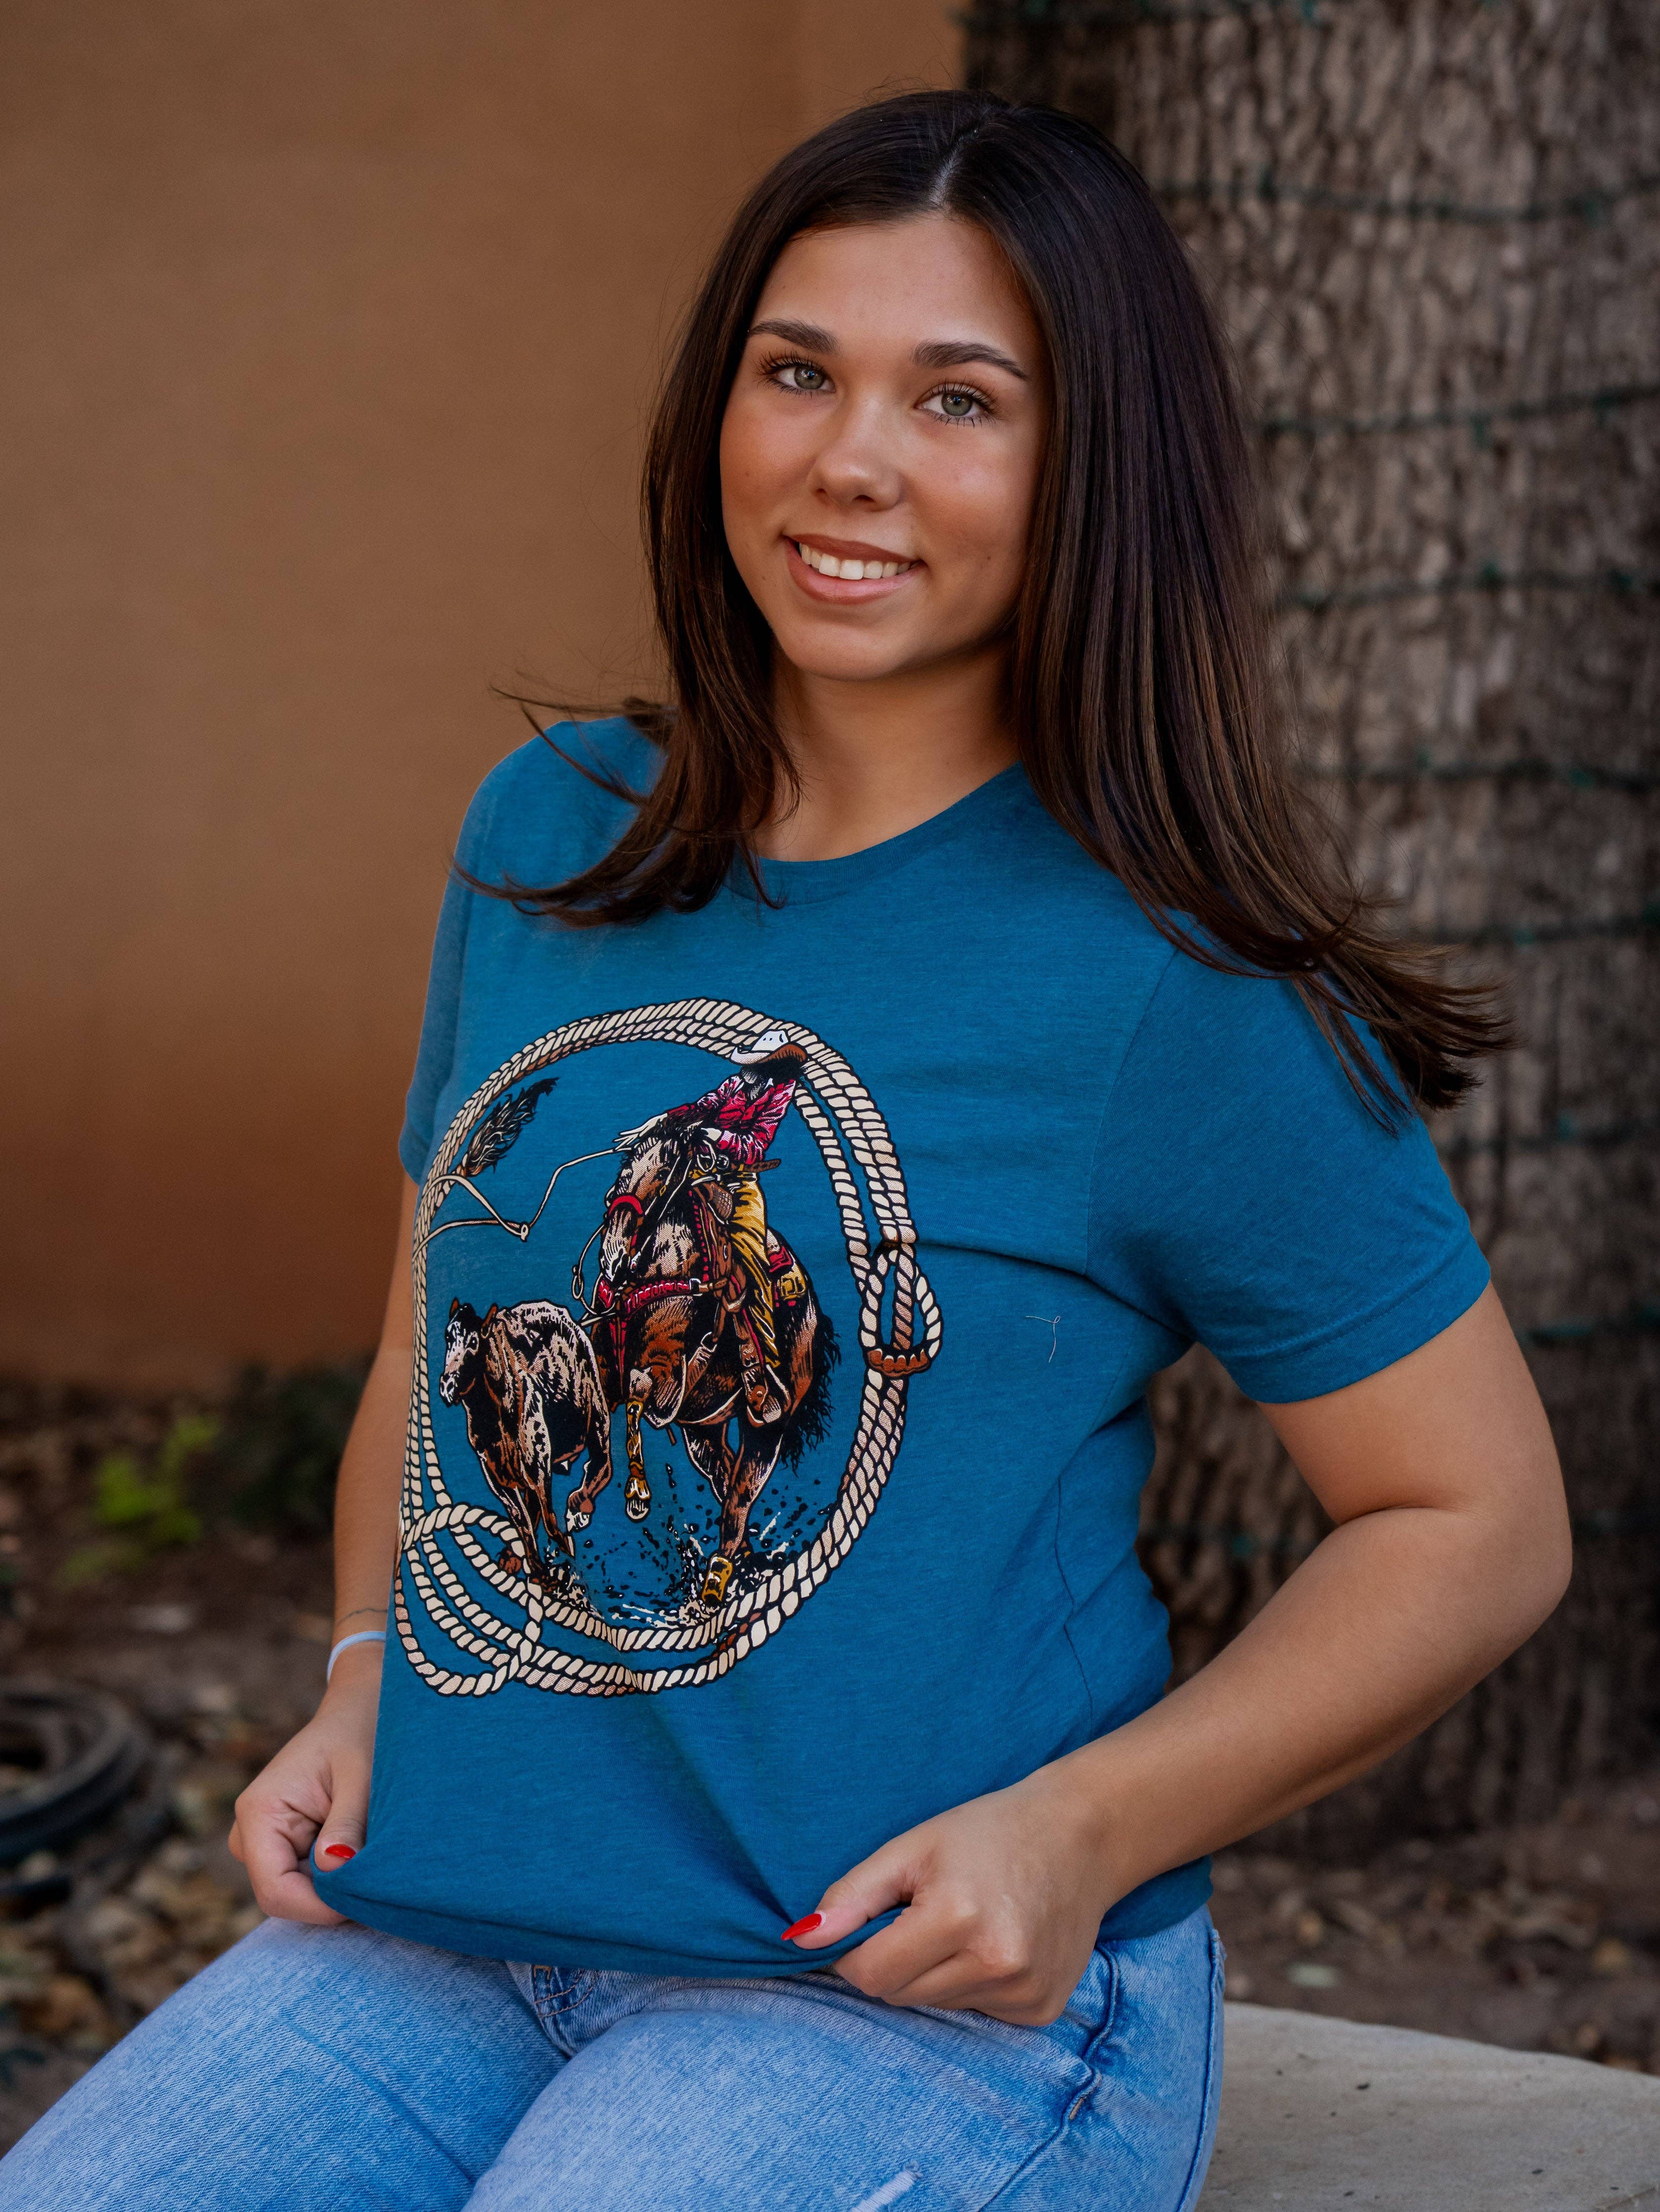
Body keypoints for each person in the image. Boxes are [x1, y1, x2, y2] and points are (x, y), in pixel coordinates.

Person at [0, 89, 1570, 2211]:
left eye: (960, 399)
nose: (850, 459)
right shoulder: (554, 831)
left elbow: (1473, 1517)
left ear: (1095, 461)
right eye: (798, 370)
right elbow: (421, 1355)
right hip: (452, 1933)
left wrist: (1081, 1830)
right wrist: (367, 1673)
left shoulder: (1169, 982)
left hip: (910, 1998)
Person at [612, 1028, 808, 1423]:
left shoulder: (779, 1094)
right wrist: (662, 1121)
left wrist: (714, 1134)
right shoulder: (735, 1085)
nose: (748, 1068)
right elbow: (703, 1106)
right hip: (696, 1177)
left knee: (749, 1260)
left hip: (739, 1186)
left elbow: (755, 1145)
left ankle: (759, 1370)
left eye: (758, 1062)